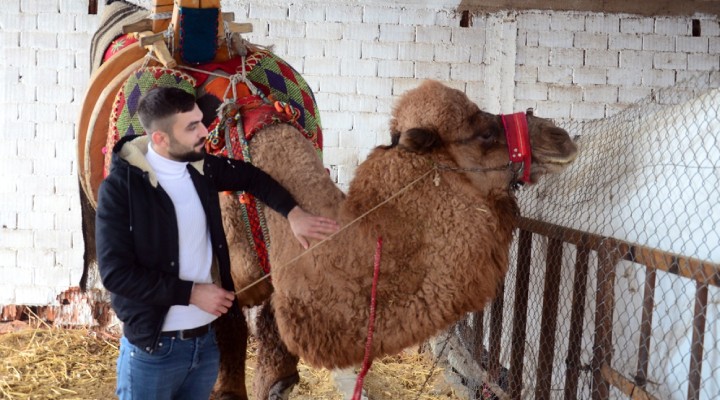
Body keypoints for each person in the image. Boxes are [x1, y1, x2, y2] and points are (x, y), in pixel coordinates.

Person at [95, 86, 339, 400]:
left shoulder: (201, 169)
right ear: (160, 139)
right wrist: (192, 293)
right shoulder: (120, 190)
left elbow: (251, 177)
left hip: (205, 348)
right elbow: (116, 274)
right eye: (192, 126)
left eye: (201, 121)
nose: (206, 132)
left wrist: (293, 214)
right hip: (154, 349)